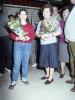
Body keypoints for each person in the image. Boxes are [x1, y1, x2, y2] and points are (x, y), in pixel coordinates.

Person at [8, 9, 35, 89]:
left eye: (24, 14)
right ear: (19, 15)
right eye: (21, 14)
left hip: (27, 45)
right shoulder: (15, 25)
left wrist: (28, 37)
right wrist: (17, 37)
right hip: (18, 44)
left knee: (25, 62)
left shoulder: (30, 26)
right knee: (16, 63)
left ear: (26, 16)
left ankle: (24, 77)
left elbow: (32, 36)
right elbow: (11, 35)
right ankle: (14, 81)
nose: (23, 15)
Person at [36, 4, 61, 85]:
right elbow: (36, 34)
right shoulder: (40, 22)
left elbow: (59, 32)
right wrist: (40, 36)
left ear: (50, 13)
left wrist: (49, 35)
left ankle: (51, 77)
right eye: (44, 11)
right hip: (43, 43)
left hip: (51, 43)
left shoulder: (54, 21)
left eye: (47, 11)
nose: (45, 13)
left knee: (51, 60)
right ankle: (47, 74)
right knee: (44, 60)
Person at [64, 0, 75, 92]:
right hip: (70, 39)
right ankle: (73, 78)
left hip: (74, 39)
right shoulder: (73, 8)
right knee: (71, 60)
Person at [58, 6, 71, 78]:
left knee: (71, 58)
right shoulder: (61, 22)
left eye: (66, 12)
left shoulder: (72, 21)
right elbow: (59, 32)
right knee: (62, 58)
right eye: (63, 12)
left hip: (71, 42)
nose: (64, 13)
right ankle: (62, 72)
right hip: (62, 42)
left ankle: (72, 72)